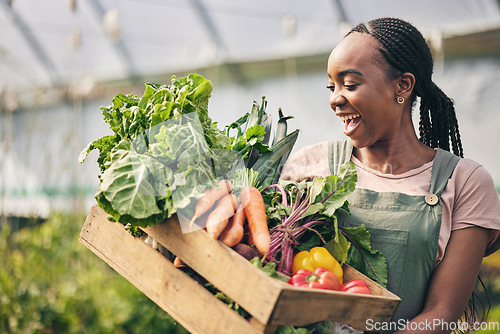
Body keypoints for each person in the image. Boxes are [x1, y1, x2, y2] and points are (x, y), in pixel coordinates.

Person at [281, 17, 500, 333]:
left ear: (403, 86)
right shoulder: (309, 166)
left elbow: (442, 312)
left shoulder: (464, 182)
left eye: (350, 84)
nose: (334, 99)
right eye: (332, 86)